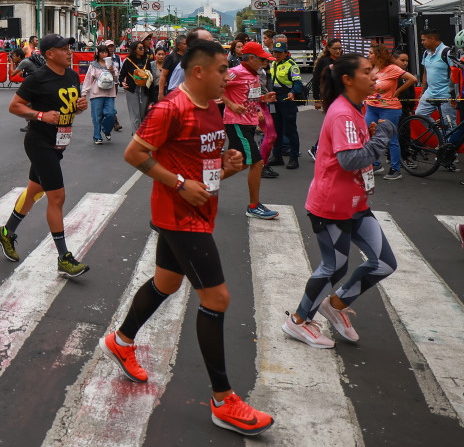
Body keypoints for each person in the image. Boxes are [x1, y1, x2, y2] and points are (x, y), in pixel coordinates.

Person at [102, 39, 273, 437]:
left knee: (166, 282)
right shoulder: (170, 108)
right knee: (216, 298)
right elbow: (134, 153)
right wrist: (178, 184)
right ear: (199, 71)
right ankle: (223, 400)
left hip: (200, 208)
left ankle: (122, 340)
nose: (227, 76)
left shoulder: (213, 106)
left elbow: (206, 166)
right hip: (180, 216)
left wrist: (228, 165)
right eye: (221, 70)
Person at [282, 52, 399, 349]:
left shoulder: (355, 107)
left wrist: (372, 135)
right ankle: (297, 321)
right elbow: (350, 160)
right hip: (332, 206)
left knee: (384, 263)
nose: (374, 76)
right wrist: (381, 136)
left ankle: (334, 305)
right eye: (367, 72)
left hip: (357, 203)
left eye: (372, 70)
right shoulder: (344, 113)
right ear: (347, 79)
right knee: (334, 268)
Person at [0, 34, 91, 277]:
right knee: (56, 197)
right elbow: (15, 106)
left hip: (59, 142)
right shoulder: (38, 78)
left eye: (70, 48)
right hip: (39, 142)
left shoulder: (70, 75)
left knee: (34, 191)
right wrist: (40, 115)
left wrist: (77, 108)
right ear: (50, 54)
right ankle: (64, 258)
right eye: (64, 49)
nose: (70, 52)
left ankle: (6, 233)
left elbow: (67, 109)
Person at [222, 41, 279, 220]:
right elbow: (215, 85)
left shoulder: (254, 74)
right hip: (236, 123)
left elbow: (249, 97)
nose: (265, 63)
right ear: (252, 58)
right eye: (262, 60)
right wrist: (230, 104)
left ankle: (206, 182)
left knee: (242, 163)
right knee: (257, 162)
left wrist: (263, 99)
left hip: (248, 122)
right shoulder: (235, 72)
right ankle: (254, 206)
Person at [364, 43, 415, 180]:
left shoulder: (392, 68)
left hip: (389, 109)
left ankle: (395, 169)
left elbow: (412, 79)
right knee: (368, 135)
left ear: (379, 55)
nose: (368, 55)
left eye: (371, 53)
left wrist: (397, 91)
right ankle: (375, 164)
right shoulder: (370, 68)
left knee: (391, 138)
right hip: (371, 107)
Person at [268, 40, 304, 170]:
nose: (277, 55)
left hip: (287, 98)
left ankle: (294, 158)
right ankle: (277, 156)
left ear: (285, 53)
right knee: (276, 129)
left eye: (279, 52)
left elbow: (298, 82)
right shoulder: (272, 64)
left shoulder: (292, 65)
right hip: (275, 98)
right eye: (275, 52)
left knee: (290, 130)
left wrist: (293, 92)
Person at [417, 28, 457, 129]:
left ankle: (450, 144)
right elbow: (425, 73)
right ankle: (441, 139)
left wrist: (453, 95)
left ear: (432, 39)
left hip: (446, 94)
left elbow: (455, 73)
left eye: (423, 40)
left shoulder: (447, 52)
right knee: (420, 113)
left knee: (449, 123)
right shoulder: (426, 53)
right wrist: (422, 91)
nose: (422, 42)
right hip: (430, 92)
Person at [83, 44, 118, 146]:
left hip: (109, 94)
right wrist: (84, 93)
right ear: (98, 54)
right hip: (96, 94)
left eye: (106, 52)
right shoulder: (93, 65)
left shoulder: (112, 64)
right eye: (102, 52)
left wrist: (112, 72)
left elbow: (116, 79)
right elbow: (88, 79)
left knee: (111, 113)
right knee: (96, 116)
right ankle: (97, 136)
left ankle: (106, 130)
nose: (104, 54)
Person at [120, 40, 153, 131]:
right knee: (135, 116)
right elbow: (122, 75)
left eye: (143, 48)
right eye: (140, 48)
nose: (143, 50)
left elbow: (151, 76)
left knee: (142, 115)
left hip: (145, 90)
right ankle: (136, 137)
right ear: (134, 50)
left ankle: (139, 135)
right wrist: (123, 82)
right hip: (132, 90)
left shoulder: (146, 61)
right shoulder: (128, 61)